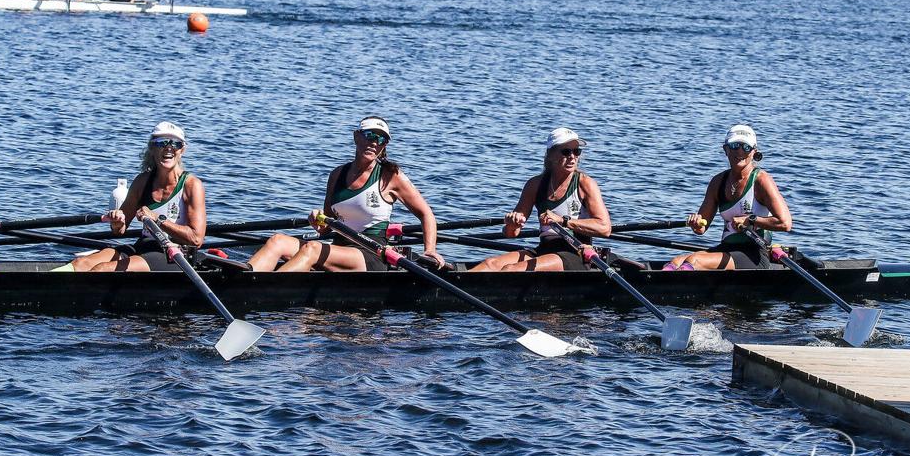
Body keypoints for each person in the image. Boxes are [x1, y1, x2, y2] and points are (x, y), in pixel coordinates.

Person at [247, 117, 444, 272]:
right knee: (277, 241)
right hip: (339, 248)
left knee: (312, 249)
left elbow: (426, 214)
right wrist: (318, 222)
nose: (374, 143)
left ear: (384, 146)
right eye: (369, 135)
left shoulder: (390, 176)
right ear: (356, 136)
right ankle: (240, 284)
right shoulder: (337, 175)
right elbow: (326, 229)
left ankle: (265, 291)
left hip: (371, 254)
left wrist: (430, 251)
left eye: (380, 139)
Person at [68, 122, 207, 272]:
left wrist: (157, 219)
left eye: (176, 143)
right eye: (162, 143)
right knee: (80, 264)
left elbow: (196, 239)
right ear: (152, 148)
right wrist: (116, 222)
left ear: (182, 150)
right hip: (143, 247)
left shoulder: (192, 185)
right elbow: (119, 230)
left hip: (174, 254)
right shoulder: (142, 181)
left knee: (102, 269)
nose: (169, 147)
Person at [470, 128, 611, 272]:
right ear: (550, 154)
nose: (572, 157)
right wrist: (512, 224)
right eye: (566, 152)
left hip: (576, 253)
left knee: (511, 269)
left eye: (576, 151)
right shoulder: (535, 185)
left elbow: (605, 228)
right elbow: (511, 233)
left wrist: (563, 221)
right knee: (490, 264)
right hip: (545, 250)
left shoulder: (585, 184)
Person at [665, 124, 792, 270]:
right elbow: (701, 228)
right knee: (675, 262)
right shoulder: (718, 182)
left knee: (694, 261)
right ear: (726, 149)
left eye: (746, 147)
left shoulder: (761, 181)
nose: (739, 151)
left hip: (754, 255)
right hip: (726, 249)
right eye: (735, 145)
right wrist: (696, 222)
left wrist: (750, 220)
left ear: (754, 152)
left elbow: (785, 223)